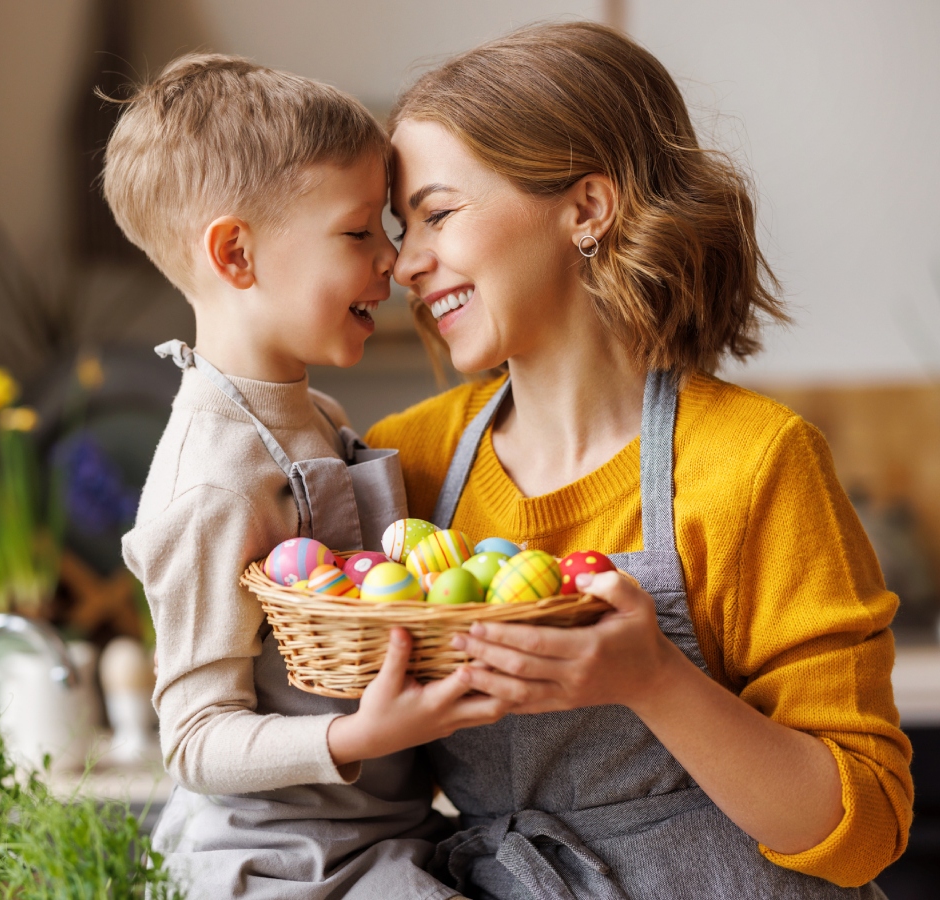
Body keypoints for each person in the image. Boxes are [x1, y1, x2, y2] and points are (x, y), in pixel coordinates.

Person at [366, 22, 912, 899]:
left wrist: (654, 679)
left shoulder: (754, 462)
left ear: (586, 208)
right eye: (401, 226)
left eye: (437, 213)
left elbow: (867, 830)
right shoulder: (410, 461)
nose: (407, 264)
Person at [106, 54, 503, 900]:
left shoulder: (313, 414)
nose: (393, 261)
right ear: (236, 253)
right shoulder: (214, 477)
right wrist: (356, 736)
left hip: (385, 833)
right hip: (284, 860)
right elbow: (194, 738)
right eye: (360, 233)